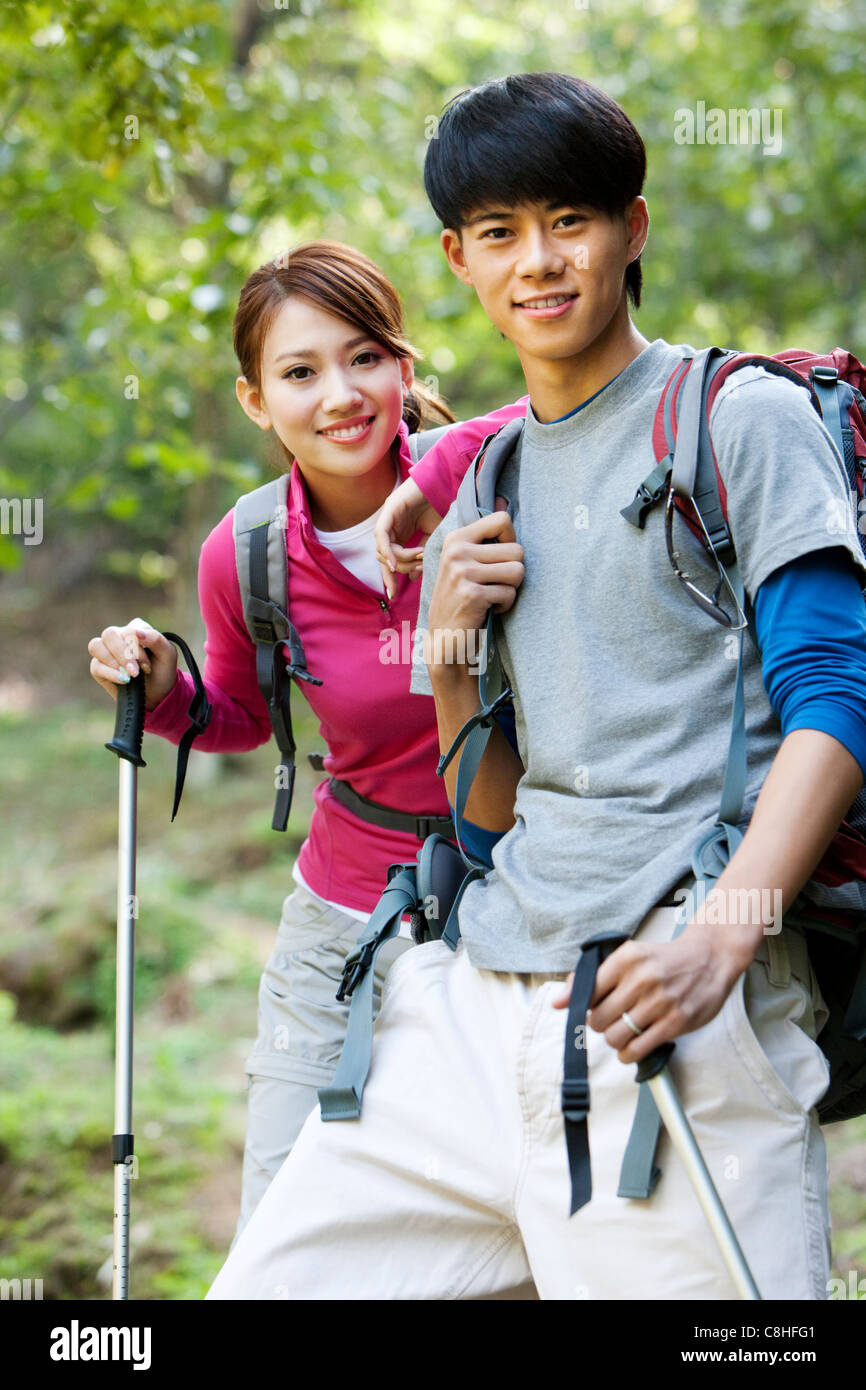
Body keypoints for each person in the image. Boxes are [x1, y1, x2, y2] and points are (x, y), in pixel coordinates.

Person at [205, 74, 866, 1300]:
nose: (539, 261)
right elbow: (489, 815)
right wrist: (448, 645)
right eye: (500, 232)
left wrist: (724, 937)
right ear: (458, 258)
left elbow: (839, 692)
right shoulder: (489, 470)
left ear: (632, 228)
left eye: (570, 219)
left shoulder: (734, 417)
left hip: (660, 1005)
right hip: (468, 995)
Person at [86, 239, 527, 1240]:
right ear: (255, 400)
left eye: (365, 357)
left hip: (518, 898)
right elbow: (236, 718)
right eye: (298, 371)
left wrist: (445, 463)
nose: (340, 394)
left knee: (514, 1229)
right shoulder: (244, 552)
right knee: (285, 1227)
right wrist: (164, 684)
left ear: (404, 368)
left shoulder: (498, 478)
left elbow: (600, 390)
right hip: (343, 915)